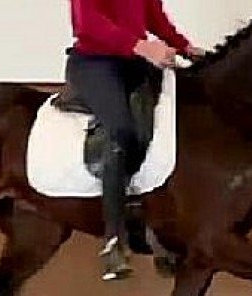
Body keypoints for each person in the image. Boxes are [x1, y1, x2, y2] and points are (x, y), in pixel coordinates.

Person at [67, 0, 204, 281]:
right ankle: (114, 239)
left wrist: (185, 47)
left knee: (167, 124)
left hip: (134, 64)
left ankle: (157, 228)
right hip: (96, 64)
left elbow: (154, 16)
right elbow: (88, 23)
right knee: (122, 131)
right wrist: (142, 47)